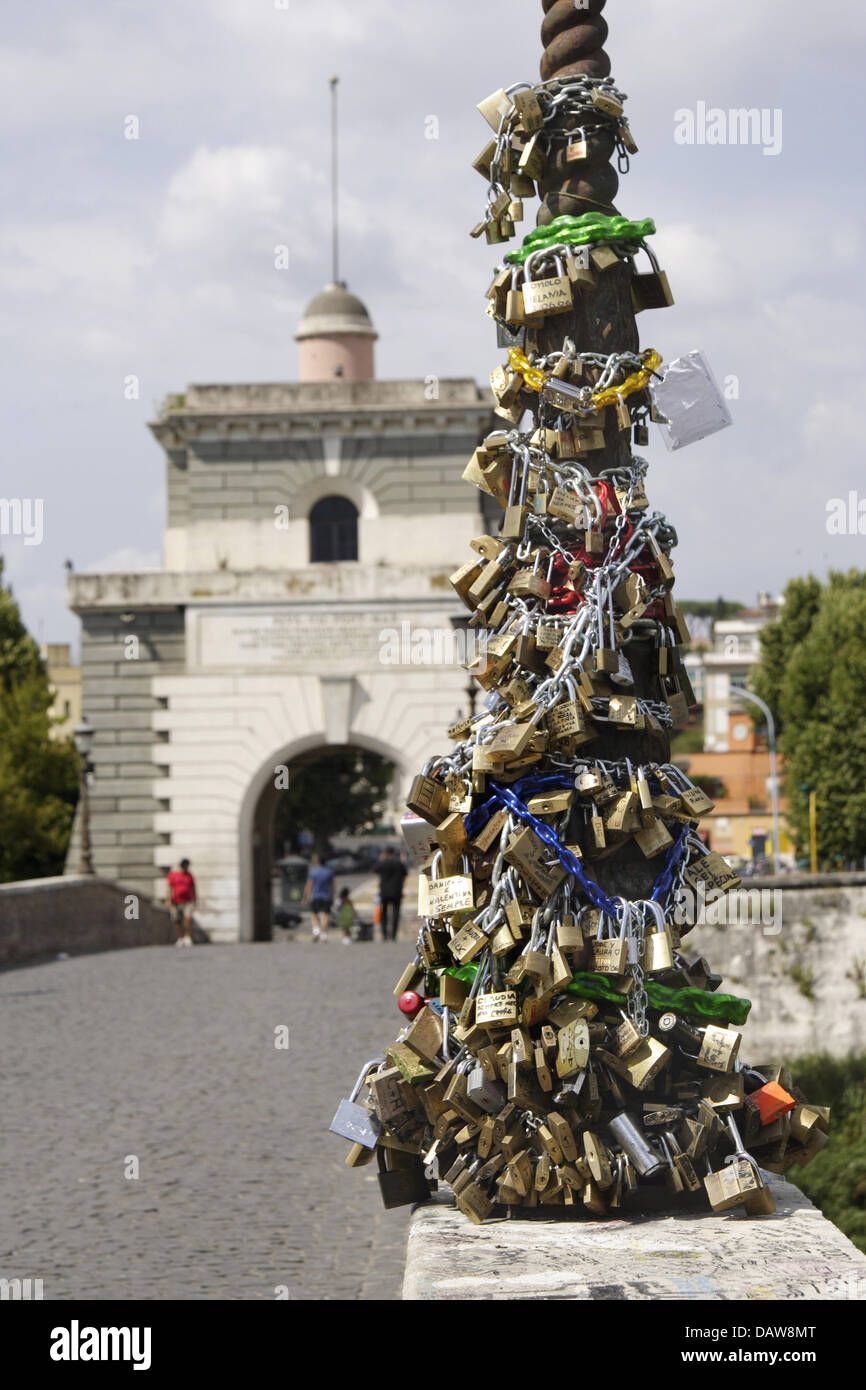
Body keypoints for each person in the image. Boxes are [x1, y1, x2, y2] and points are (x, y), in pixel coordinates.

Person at [301, 852, 334, 942]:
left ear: (318, 862)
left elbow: (309, 885)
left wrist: (305, 897)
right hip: (326, 896)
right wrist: (332, 897)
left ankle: (316, 931)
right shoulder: (329, 872)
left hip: (316, 896)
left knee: (314, 915)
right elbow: (332, 886)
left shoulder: (313, 873)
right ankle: (324, 935)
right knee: (325, 916)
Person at [376, 847, 407, 942]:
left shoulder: (383, 863)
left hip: (384, 892)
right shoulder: (399, 863)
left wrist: (381, 859)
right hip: (396, 891)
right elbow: (405, 874)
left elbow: (374, 869)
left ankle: (384, 934)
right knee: (396, 913)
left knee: (384, 913)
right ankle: (393, 935)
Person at [166, 858, 196, 947]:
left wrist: (195, 899)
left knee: (188, 917)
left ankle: (188, 937)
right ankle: (180, 938)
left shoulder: (189, 876)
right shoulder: (173, 875)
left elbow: (193, 888)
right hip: (175, 901)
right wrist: (168, 899)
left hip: (188, 901)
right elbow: (169, 887)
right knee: (176, 920)